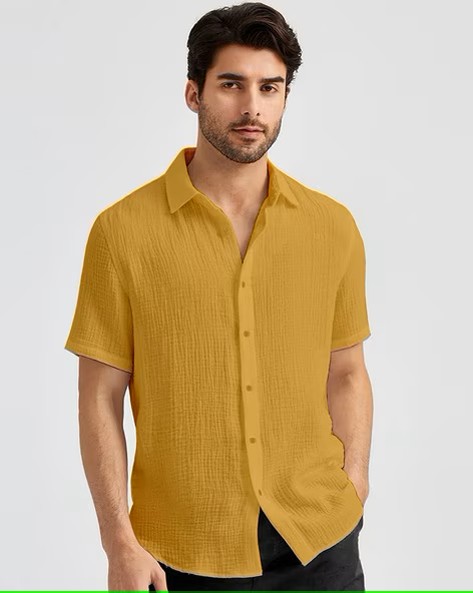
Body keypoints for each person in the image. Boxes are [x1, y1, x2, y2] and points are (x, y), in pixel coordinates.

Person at [64, 2, 374, 591]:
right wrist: (118, 544)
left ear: (285, 97)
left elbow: (348, 372)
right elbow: (99, 397)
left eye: (269, 87)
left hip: (319, 541)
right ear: (194, 93)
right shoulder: (122, 232)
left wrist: (354, 482)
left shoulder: (331, 227)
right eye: (231, 84)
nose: (252, 106)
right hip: (181, 550)